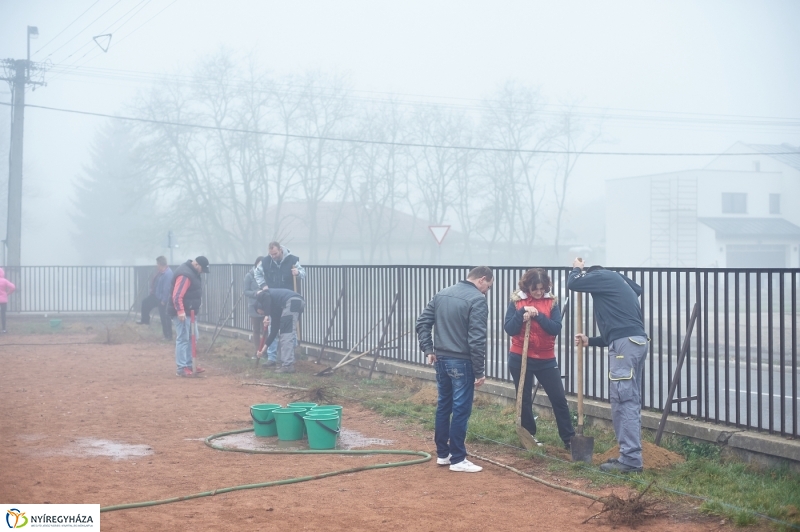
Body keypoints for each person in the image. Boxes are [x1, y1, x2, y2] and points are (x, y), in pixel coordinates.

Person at [567, 258, 647, 474]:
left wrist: (577, 269)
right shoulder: (618, 283)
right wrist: (590, 340)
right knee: (630, 400)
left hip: (625, 345)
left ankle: (630, 460)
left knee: (623, 402)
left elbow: (573, 283)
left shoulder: (601, 276)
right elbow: (636, 292)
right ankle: (629, 455)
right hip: (635, 342)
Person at [415, 266, 494, 473]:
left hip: (441, 359)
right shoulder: (477, 300)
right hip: (462, 361)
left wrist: (428, 349)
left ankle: (443, 454)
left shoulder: (442, 293)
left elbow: (422, 323)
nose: (487, 291)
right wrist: (479, 371)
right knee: (461, 409)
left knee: (444, 405)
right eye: (488, 286)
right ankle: (458, 458)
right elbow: (476, 339)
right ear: (482, 279)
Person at [504, 268, 575, 450]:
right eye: (535, 288)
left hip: (546, 358)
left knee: (559, 398)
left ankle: (569, 439)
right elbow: (509, 328)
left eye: (542, 288)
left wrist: (538, 315)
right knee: (524, 399)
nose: (539, 292)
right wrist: (521, 314)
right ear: (527, 287)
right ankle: (529, 436)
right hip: (520, 356)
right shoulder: (517, 301)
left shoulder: (551, 302)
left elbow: (555, 328)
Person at [254, 241, 306, 361]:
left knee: (288, 329)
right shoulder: (265, 262)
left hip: (288, 299)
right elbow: (257, 273)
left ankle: (289, 357)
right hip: (274, 299)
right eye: (271, 254)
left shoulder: (292, 260)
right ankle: (272, 358)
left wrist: (298, 273)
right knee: (273, 327)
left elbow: (303, 273)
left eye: (275, 253)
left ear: (280, 250)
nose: (273, 256)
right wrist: (264, 286)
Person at [168, 256, 210, 378]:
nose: (202, 272)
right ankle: (182, 367)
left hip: (190, 312)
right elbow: (177, 295)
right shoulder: (185, 275)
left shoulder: (192, 273)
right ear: (197, 265)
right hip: (183, 313)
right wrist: (180, 311)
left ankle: (190, 364)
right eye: (202, 269)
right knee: (183, 338)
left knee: (193, 337)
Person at [254, 288, 305, 374]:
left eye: (261, 313)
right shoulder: (275, 310)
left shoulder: (262, 296)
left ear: (260, 306)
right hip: (296, 302)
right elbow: (273, 332)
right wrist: (263, 350)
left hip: (291, 301)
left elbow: (266, 297)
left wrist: (266, 315)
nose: (262, 315)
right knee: (286, 333)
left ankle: (287, 365)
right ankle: (286, 363)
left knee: (286, 334)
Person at [244, 256, 274, 362]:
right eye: (260, 264)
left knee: (265, 329)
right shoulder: (249, 275)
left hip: (265, 306)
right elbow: (245, 291)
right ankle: (257, 350)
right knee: (256, 329)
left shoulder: (267, 275)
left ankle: (265, 351)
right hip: (254, 306)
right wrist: (256, 293)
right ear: (256, 263)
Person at [137, 256, 174, 340]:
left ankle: (168, 336)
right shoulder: (161, 272)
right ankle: (145, 320)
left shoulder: (168, 274)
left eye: (157, 264)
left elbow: (167, 288)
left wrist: (164, 300)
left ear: (160, 264)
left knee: (164, 317)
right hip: (156, 296)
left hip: (162, 299)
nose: (156, 265)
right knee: (145, 303)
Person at [0, 267, 16, 334]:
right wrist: (8, 293)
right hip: (3, 300)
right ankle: (3, 329)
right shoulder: (5, 281)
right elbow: (13, 287)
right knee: (3, 314)